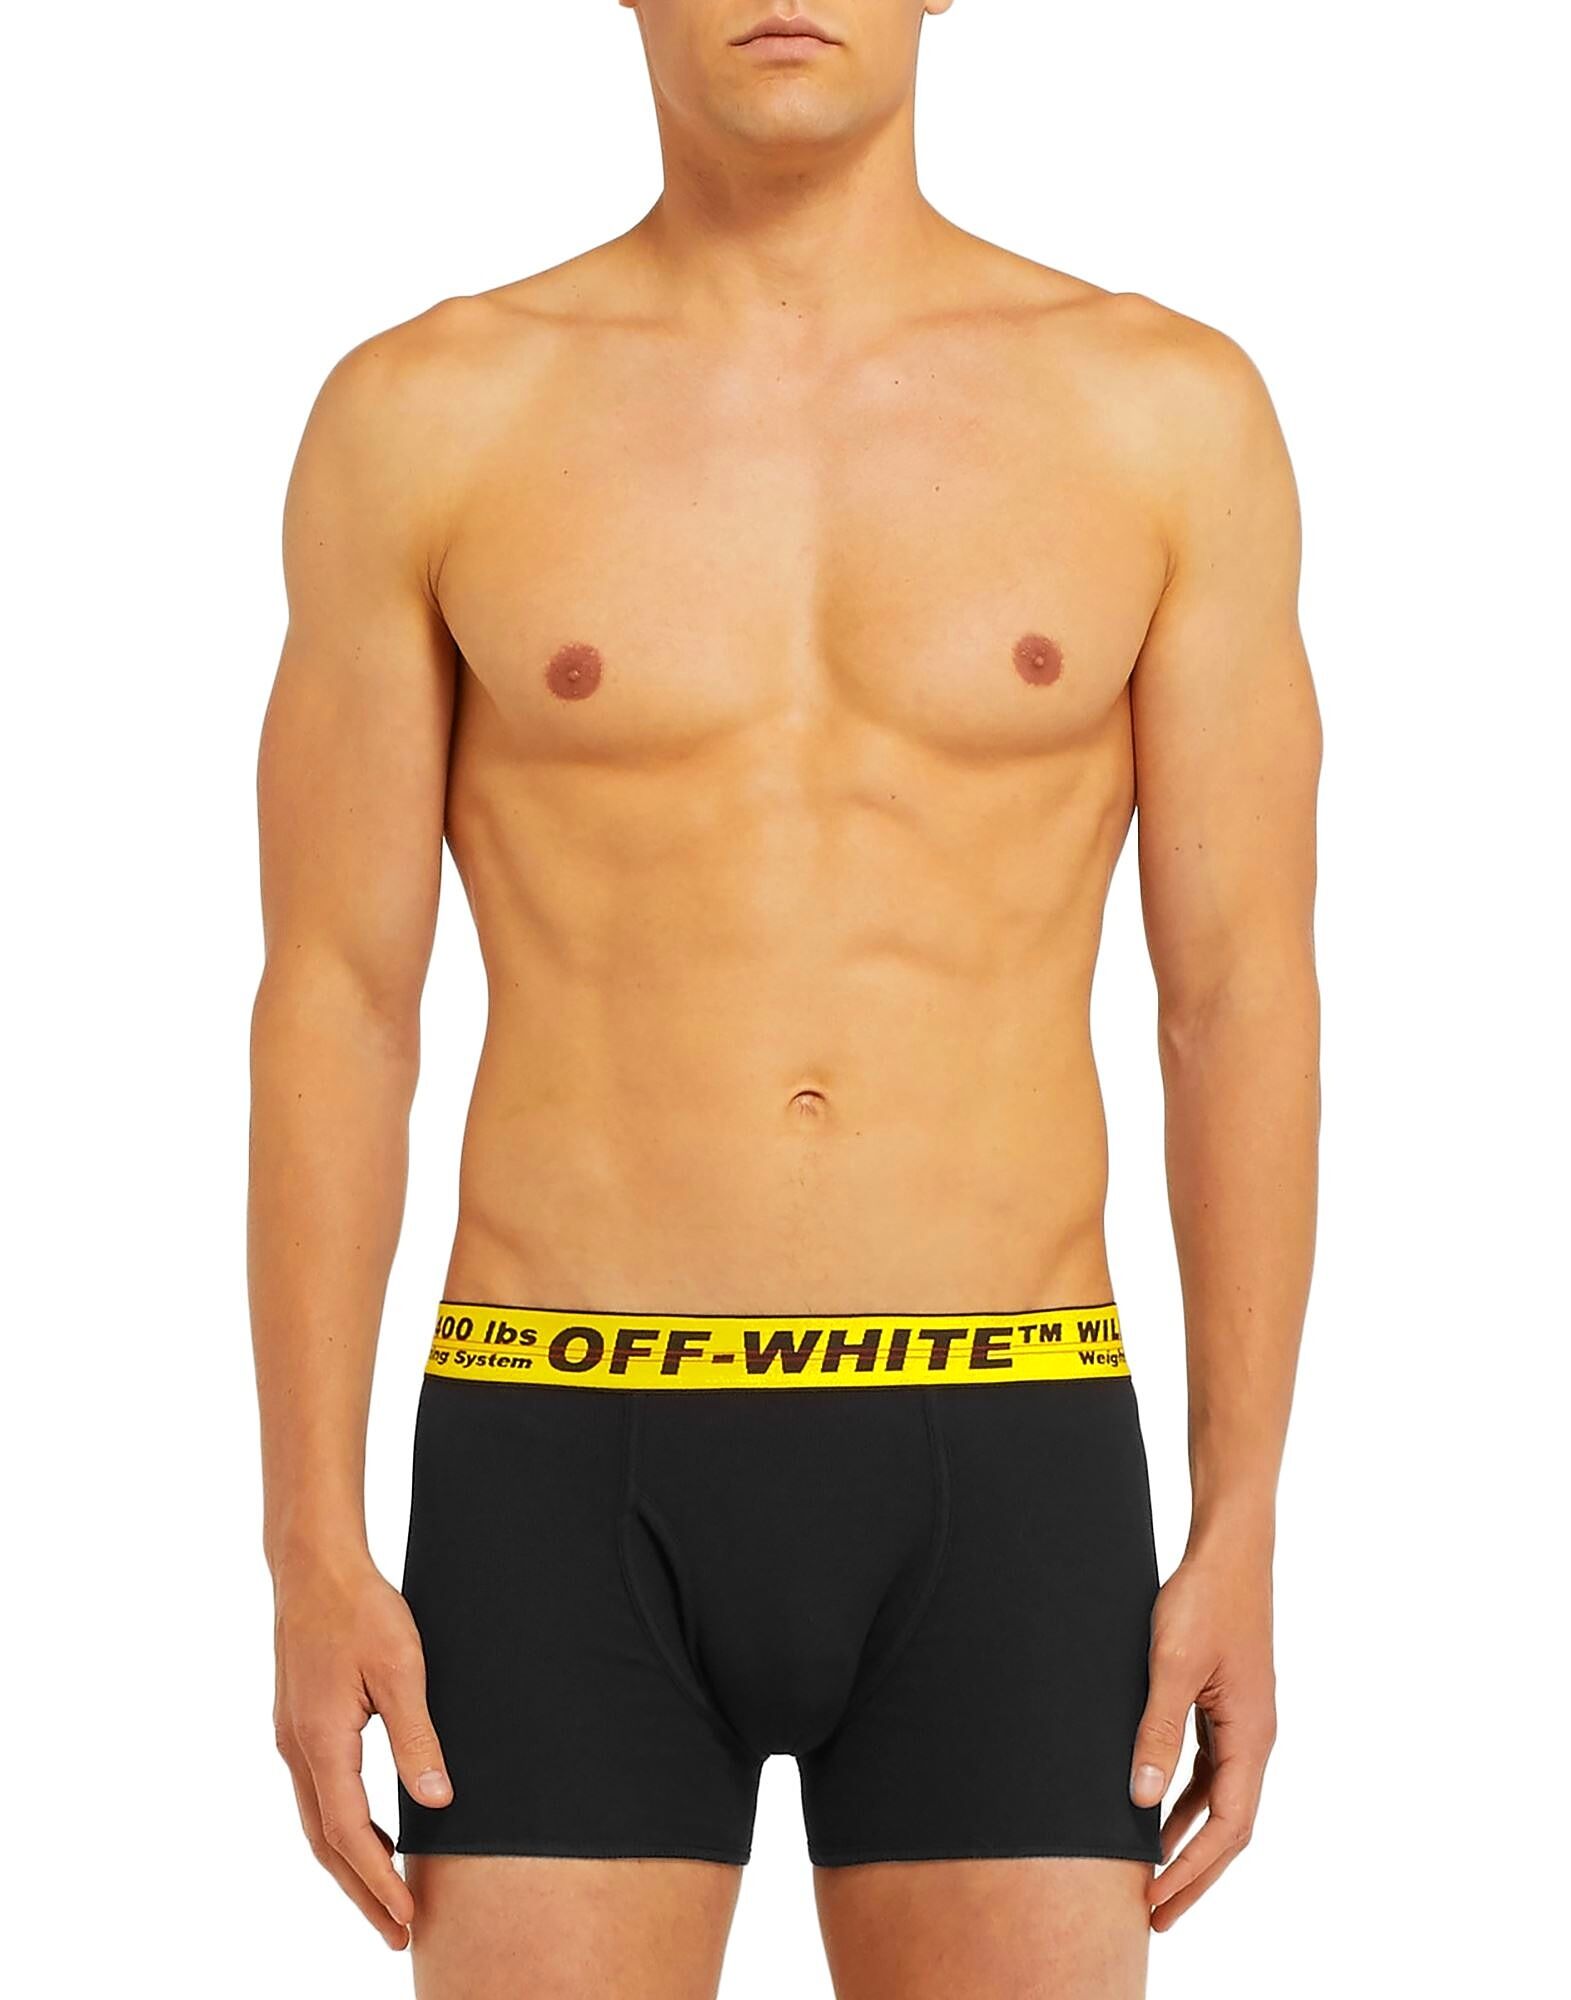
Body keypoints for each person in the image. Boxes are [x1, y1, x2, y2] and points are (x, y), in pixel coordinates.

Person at [248, 3, 1321, 1993]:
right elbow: (338, 993)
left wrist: (1243, 1512)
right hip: (559, 1444)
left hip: (1006, 1443)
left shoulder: (1161, 412)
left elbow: (1238, 990)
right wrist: (308, 1537)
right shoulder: (432, 413)